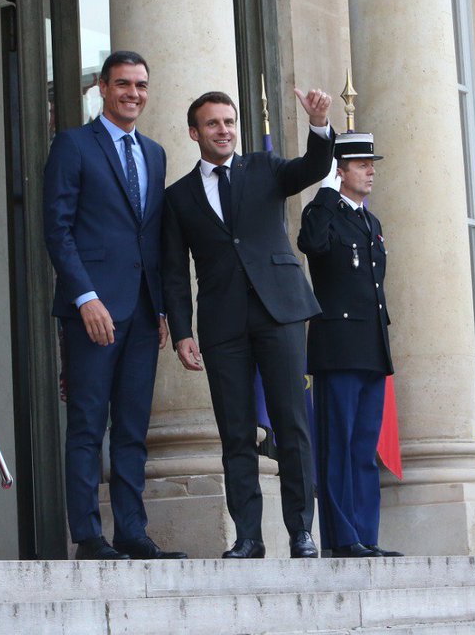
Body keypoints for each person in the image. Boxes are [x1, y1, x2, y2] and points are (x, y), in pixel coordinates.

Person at [162, 88, 333, 559]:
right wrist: (181, 331)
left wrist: (319, 125)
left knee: (291, 424)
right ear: (195, 133)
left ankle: (301, 532)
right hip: (223, 323)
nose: (224, 130)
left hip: (280, 311)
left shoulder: (265, 167)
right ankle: (249, 537)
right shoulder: (178, 197)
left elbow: (313, 168)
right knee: (235, 432)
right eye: (213, 124)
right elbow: (174, 272)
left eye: (229, 122)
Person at [43, 51, 184, 560]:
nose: (133, 93)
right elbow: (57, 230)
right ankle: (87, 536)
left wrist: (163, 309)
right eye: (123, 83)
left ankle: (132, 531)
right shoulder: (73, 144)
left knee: (131, 428)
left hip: (145, 313)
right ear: (101, 88)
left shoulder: (155, 153)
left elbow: (153, 237)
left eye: (141, 85)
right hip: (93, 311)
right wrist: (85, 297)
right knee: (86, 426)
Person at [297, 132, 402, 558]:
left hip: (370, 346)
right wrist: (323, 190)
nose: (371, 169)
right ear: (338, 172)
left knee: (363, 446)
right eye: (361, 164)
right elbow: (312, 244)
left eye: (371, 163)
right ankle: (343, 539)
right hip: (338, 346)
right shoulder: (323, 213)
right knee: (338, 445)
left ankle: (365, 534)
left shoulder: (370, 222)